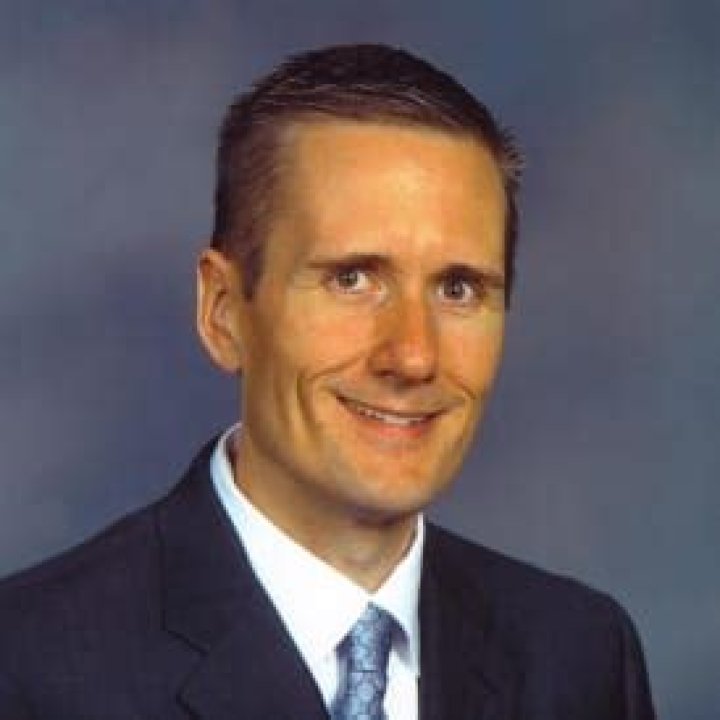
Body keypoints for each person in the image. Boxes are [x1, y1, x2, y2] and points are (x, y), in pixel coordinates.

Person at [0, 43, 655, 719]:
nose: (413, 356)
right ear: (223, 311)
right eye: (352, 279)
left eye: (458, 288)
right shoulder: (29, 668)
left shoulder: (578, 658)